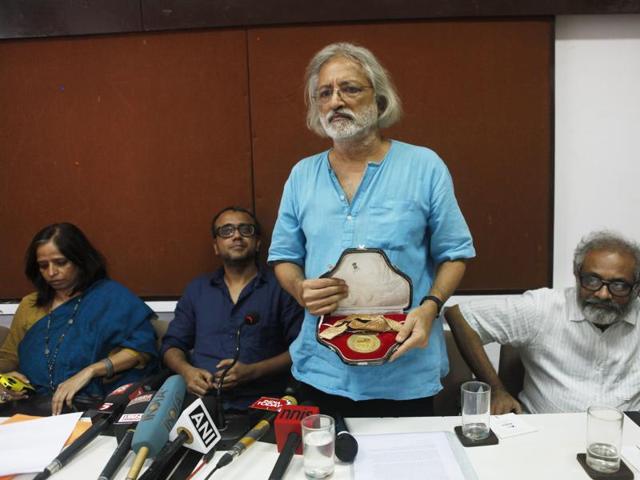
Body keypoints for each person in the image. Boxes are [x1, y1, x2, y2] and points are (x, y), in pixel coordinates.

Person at [268, 42, 475, 416]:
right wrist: (299, 288)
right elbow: (283, 256)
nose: (335, 101)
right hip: (321, 366)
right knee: (325, 471)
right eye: (324, 93)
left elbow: (455, 253)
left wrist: (430, 307)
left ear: (378, 99)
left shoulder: (424, 166)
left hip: (404, 366)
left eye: (350, 88)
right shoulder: (302, 175)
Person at [446, 230, 640, 414]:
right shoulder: (544, 308)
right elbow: (462, 316)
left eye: (619, 285)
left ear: (636, 288)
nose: (603, 294)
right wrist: (497, 390)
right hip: (545, 435)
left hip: (626, 438)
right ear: (577, 276)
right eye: (592, 280)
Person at [0, 223, 158, 415]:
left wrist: (90, 371)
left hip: (93, 405)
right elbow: (9, 357)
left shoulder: (110, 298)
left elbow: (141, 350)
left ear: (80, 260)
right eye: (43, 266)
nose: (51, 272)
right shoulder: (29, 305)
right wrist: (3, 379)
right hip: (32, 407)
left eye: (60, 263)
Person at [161, 206, 303, 411]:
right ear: (216, 246)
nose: (236, 235)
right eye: (226, 231)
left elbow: (301, 348)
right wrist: (187, 372)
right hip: (201, 403)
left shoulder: (281, 287)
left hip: (264, 404)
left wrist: (253, 371)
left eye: (246, 230)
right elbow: (171, 345)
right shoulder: (197, 290)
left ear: (258, 243)